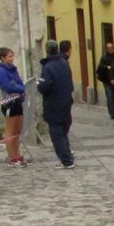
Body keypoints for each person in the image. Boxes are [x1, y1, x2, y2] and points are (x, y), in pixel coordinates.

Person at [38, 40, 75, 169]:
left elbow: (43, 87)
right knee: (63, 132)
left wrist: (40, 85)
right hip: (65, 102)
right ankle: (68, 157)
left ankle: (66, 160)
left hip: (53, 104)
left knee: (57, 133)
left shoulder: (48, 67)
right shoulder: (64, 63)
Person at [0, 47, 27, 167]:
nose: (12, 58)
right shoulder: (2, 71)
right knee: (10, 131)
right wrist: (20, 89)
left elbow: (19, 83)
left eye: (12, 56)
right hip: (10, 103)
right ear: (3, 58)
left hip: (18, 102)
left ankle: (18, 155)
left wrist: (20, 89)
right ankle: (12, 158)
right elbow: (6, 86)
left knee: (17, 131)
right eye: (9, 56)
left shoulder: (14, 70)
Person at [96, 42, 114, 119]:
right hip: (106, 80)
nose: (110, 49)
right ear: (106, 49)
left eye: (111, 47)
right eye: (108, 48)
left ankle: (113, 111)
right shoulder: (104, 58)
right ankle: (111, 112)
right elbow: (100, 67)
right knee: (109, 96)